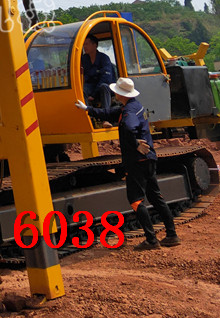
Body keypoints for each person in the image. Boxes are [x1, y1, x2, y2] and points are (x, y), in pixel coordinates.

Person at [75, 76, 180, 250]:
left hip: (137, 161)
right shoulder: (134, 106)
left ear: (120, 93)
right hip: (149, 159)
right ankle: (171, 235)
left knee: (136, 200)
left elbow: (130, 127)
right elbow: (108, 113)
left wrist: (135, 143)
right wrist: (87, 109)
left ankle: (151, 240)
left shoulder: (129, 112)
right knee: (155, 197)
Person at [81, 35, 116, 109]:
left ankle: (106, 115)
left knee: (104, 86)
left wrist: (93, 95)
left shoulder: (104, 58)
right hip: (92, 86)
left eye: (87, 44)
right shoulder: (84, 59)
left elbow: (106, 79)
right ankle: (88, 113)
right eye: (84, 44)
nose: (85, 46)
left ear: (95, 45)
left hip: (105, 86)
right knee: (82, 88)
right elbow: (85, 75)